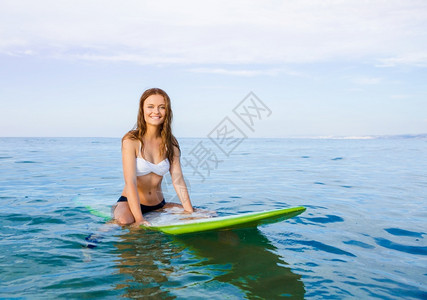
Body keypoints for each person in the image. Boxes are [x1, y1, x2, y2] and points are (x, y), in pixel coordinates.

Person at [113, 88, 194, 227]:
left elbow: (178, 179)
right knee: (125, 221)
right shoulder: (131, 140)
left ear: (167, 111)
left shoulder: (171, 142)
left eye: (161, 107)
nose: (156, 112)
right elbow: (130, 182)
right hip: (130, 203)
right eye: (150, 106)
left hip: (159, 205)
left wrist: (189, 211)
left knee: (206, 214)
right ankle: (96, 236)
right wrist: (139, 219)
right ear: (142, 110)